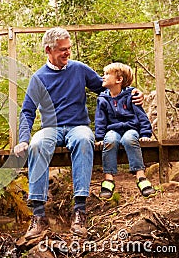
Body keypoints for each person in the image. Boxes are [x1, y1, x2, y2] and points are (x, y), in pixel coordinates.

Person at [13, 27, 144, 239]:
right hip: (50, 129)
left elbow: (109, 88)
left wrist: (133, 92)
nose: (68, 53)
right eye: (63, 50)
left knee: (84, 139)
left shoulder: (79, 69)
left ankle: (79, 212)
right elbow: (27, 111)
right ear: (49, 49)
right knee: (37, 145)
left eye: (69, 49)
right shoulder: (38, 78)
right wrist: (23, 140)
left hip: (78, 126)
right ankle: (38, 216)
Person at [95, 62, 156, 200]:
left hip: (130, 128)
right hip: (113, 130)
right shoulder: (103, 99)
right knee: (109, 140)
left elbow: (141, 116)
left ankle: (141, 177)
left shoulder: (131, 96)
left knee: (130, 139)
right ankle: (108, 179)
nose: (103, 77)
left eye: (106, 74)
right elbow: (100, 120)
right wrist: (99, 137)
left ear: (119, 79)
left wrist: (146, 134)